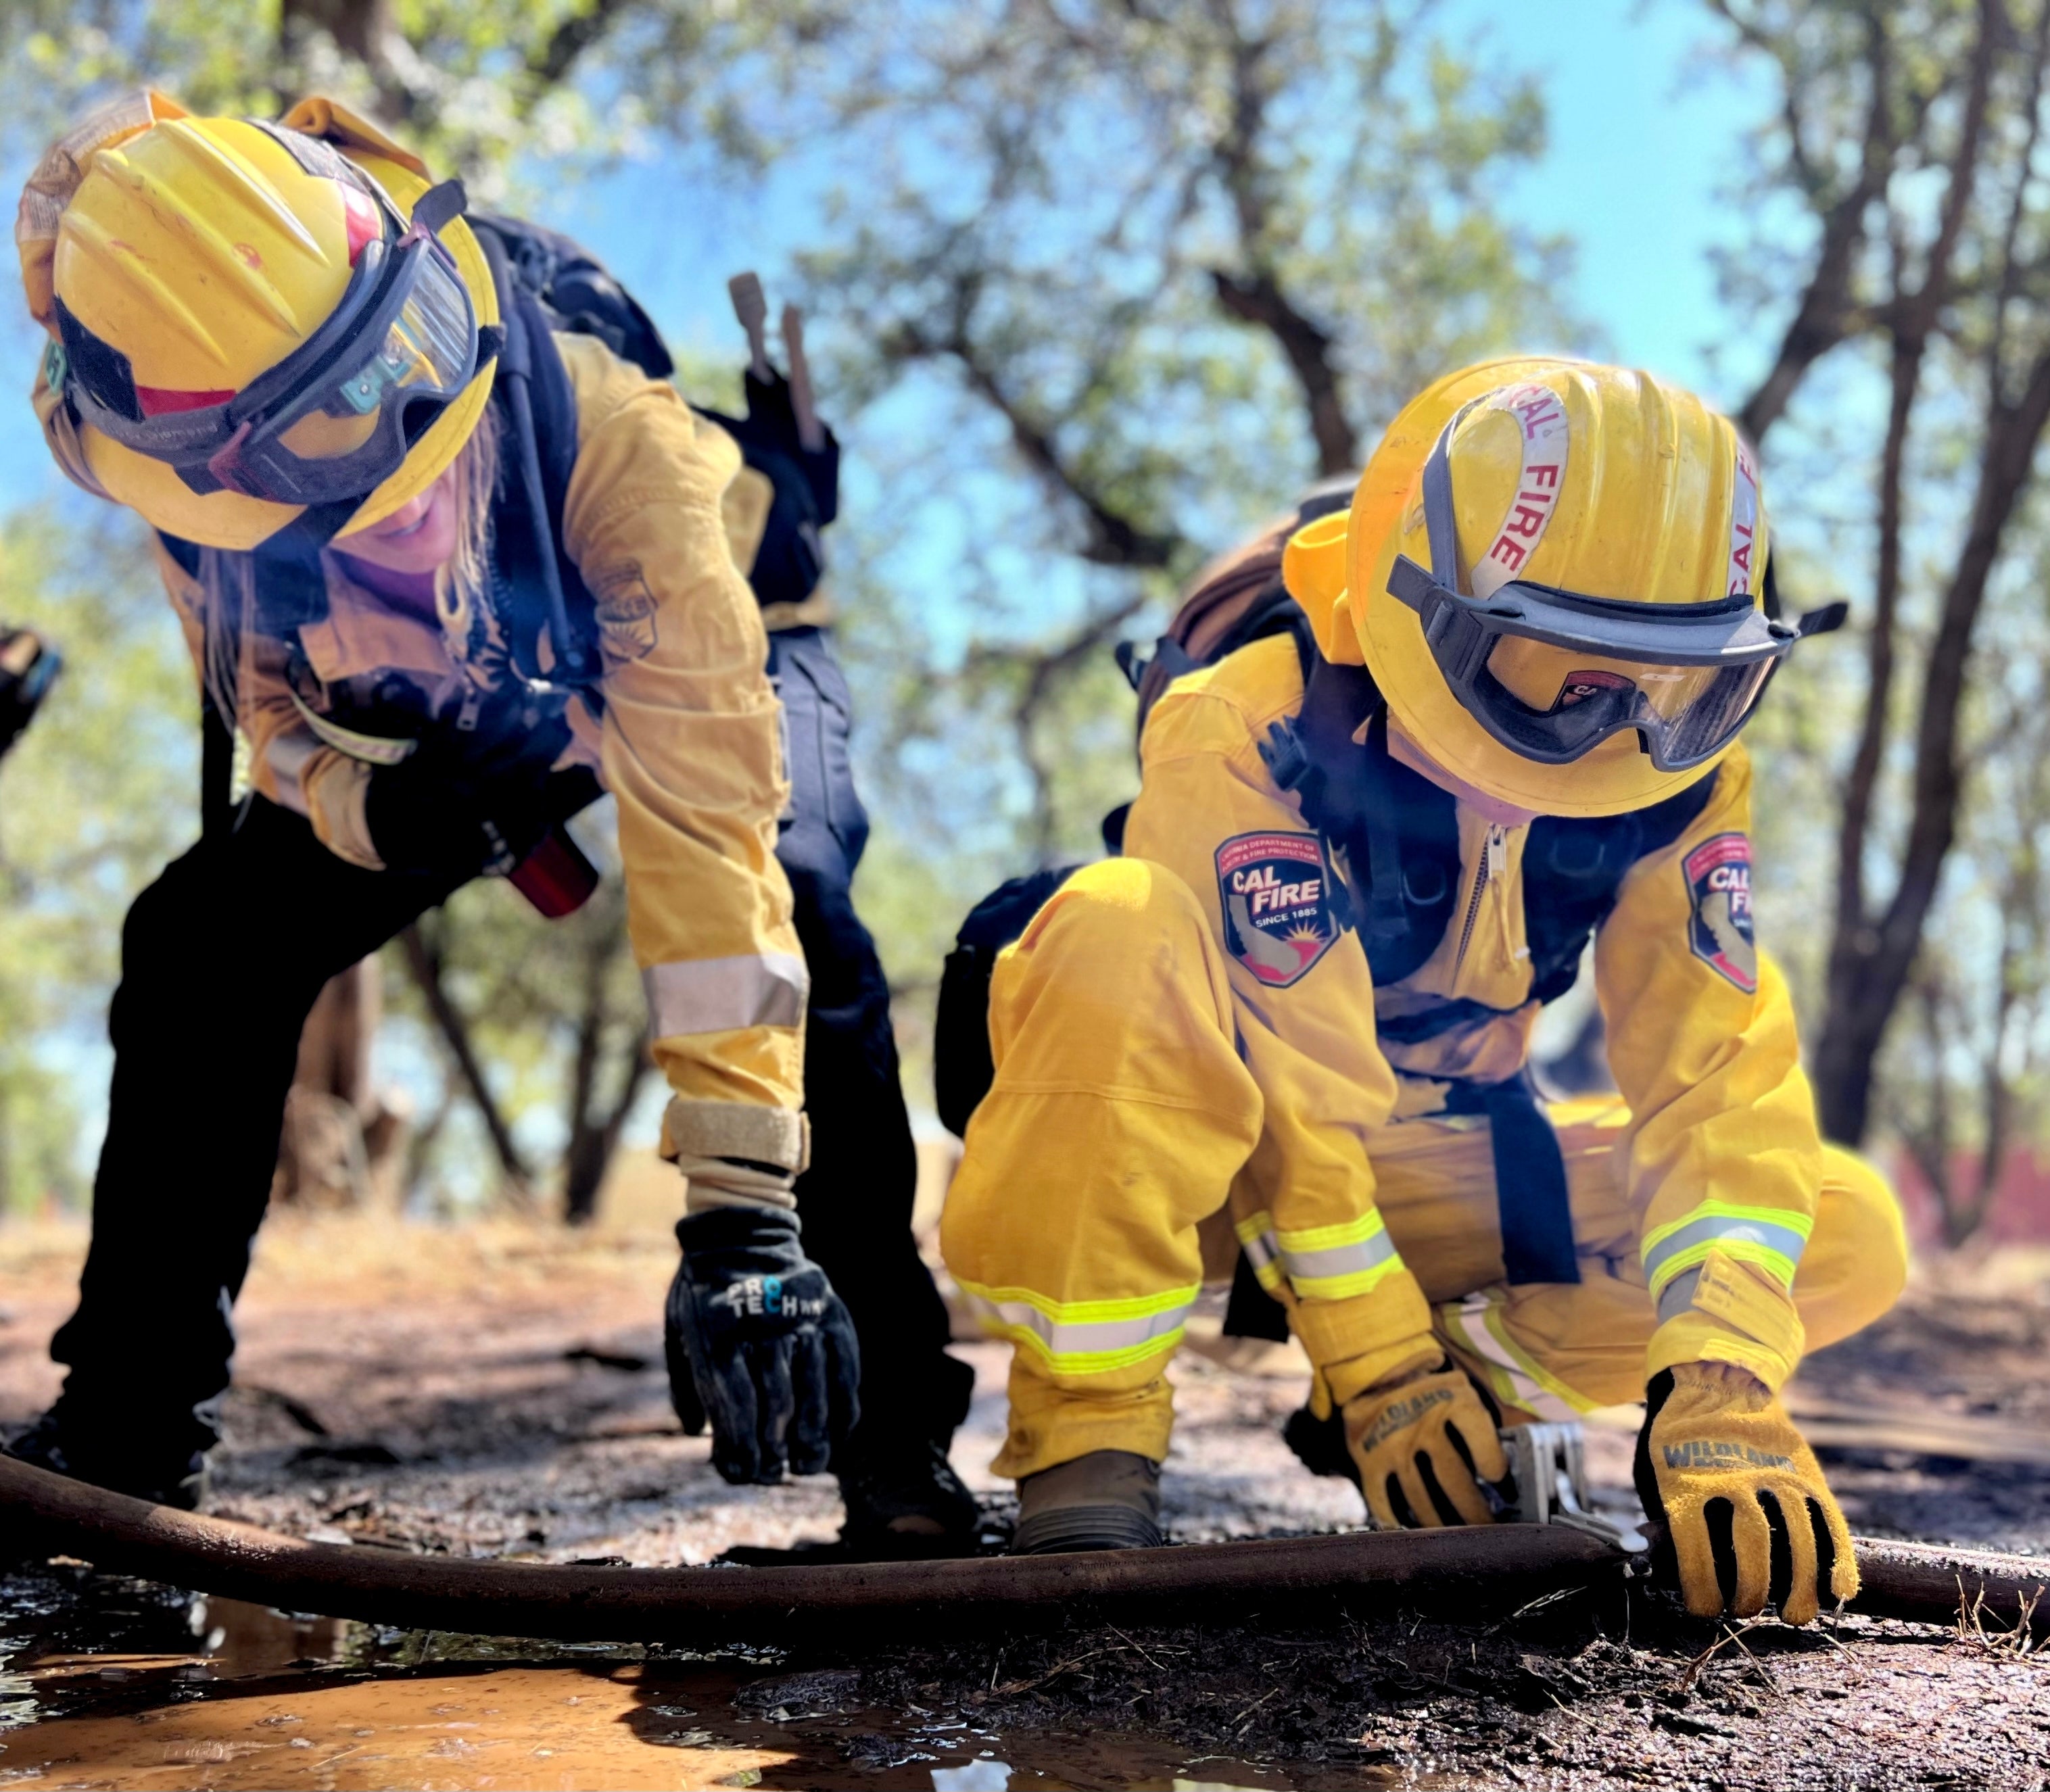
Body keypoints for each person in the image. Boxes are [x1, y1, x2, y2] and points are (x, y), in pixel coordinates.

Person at [2, 91, 972, 1552]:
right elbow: (270, 723)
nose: (403, 496)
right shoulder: (193, 514)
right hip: (468, 728)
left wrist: (739, 1217)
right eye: (329, 464)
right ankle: (127, 1441)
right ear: (197, 472)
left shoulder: (625, 452)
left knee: (806, 917)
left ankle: (892, 1443)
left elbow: (710, 856)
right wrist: (373, 809)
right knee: (200, 943)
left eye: (395, 396)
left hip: (718, 639)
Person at [940, 358, 1909, 1624]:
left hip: (1425, 1171)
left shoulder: (1680, 771)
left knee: (1840, 1230)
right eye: (1550, 675)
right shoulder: (1247, 723)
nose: (1606, 739)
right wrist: (1374, 1358)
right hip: (1208, 1170)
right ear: (1428, 619)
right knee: (1115, 926)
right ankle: (1090, 1441)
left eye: (1669, 690)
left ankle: (1477, 1391)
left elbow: (1719, 1083)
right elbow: (1295, 1089)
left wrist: (1723, 1383)